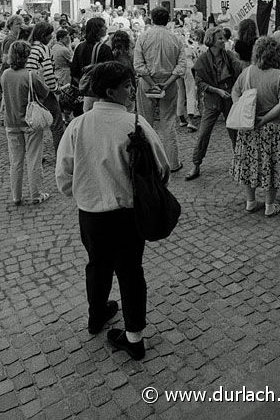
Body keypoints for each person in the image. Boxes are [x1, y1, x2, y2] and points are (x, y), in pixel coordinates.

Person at [55, 61, 170, 359]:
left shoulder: (78, 126)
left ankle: (97, 315)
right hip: (127, 216)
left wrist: (82, 194)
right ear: (110, 91)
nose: (132, 89)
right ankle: (134, 337)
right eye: (127, 86)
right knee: (131, 272)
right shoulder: (136, 124)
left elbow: (63, 174)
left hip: (91, 215)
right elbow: (161, 168)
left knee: (97, 265)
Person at [229, 36, 280, 217]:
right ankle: (270, 205)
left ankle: (250, 201)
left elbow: (235, 91)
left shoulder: (247, 72)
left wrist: (240, 108)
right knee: (272, 165)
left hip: (248, 126)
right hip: (273, 128)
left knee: (249, 163)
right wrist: (264, 119)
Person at [185, 27, 242, 180]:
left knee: (235, 132)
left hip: (229, 97)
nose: (224, 41)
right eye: (220, 39)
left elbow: (240, 72)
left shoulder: (229, 56)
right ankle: (196, 164)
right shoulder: (203, 59)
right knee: (204, 132)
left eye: (224, 38)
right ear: (212, 41)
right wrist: (217, 91)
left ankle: (240, 162)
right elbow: (200, 82)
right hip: (213, 99)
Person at [133, 5, 186, 173]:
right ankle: (173, 162)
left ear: (151, 18)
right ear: (168, 19)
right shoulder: (175, 38)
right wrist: (168, 82)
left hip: (148, 82)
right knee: (168, 122)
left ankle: (148, 163)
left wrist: (152, 82)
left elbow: (138, 65)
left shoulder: (144, 37)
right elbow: (182, 65)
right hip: (168, 83)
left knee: (145, 122)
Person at [1, 40, 50, 205]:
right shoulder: (30, 75)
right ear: (26, 56)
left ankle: (16, 196)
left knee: (15, 161)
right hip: (30, 122)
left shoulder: (5, 74)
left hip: (11, 122)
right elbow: (44, 92)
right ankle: (36, 194)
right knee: (34, 158)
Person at [26, 21, 65, 155]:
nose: (51, 37)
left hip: (30, 89)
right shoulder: (43, 49)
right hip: (43, 90)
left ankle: (37, 155)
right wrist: (55, 88)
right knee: (57, 124)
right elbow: (48, 73)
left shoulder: (29, 47)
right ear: (44, 35)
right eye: (50, 34)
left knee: (35, 125)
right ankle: (60, 154)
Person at [70, 17, 114, 113]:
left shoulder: (79, 47)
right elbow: (111, 73)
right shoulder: (104, 48)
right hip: (101, 94)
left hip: (86, 93)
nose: (106, 28)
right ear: (97, 30)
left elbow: (74, 71)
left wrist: (83, 85)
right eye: (104, 26)